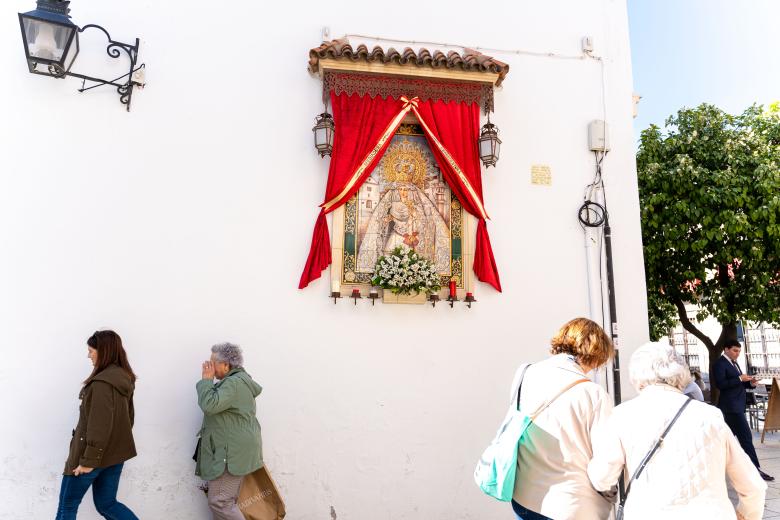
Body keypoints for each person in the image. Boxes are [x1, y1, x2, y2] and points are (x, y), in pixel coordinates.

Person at [588, 342, 766, 520]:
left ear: (635, 375)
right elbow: (753, 486)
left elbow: (602, 478)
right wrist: (745, 514)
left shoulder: (622, 415)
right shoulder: (710, 415)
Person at [508, 317, 615, 520]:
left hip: (524, 496)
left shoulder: (525, 374)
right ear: (595, 354)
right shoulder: (593, 393)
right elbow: (605, 461)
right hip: (571, 504)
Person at [55, 330, 139, 520]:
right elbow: (129, 419)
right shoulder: (123, 378)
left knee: (67, 506)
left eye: (91, 350)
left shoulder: (102, 383)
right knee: (107, 504)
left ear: (104, 352)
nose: (88, 355)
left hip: (89, 456)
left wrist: (88, 461)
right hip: (114, 455)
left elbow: (99, 426)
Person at [196, 343, 264, 520]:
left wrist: (206, 381)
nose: (209, 366)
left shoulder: (233, 383)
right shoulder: (234, 382)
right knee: (226, 501)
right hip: (234, 448)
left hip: (232, 451)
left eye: (213, 362)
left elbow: (209, 405)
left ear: (226, 365)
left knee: (220, 501)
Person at [713, 339, 774, 481]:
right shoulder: (720, 364)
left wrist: (750, 383)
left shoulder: (733, 363)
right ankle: (755, 470)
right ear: (726, 349)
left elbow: (738, 384)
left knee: (724, 441)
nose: (738, 353)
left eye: (739, 351)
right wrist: (740, 379)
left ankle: (713, 468)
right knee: (746, 438)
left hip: (737, 406)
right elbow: (721, 384)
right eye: (735, 350)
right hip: (731, 408)